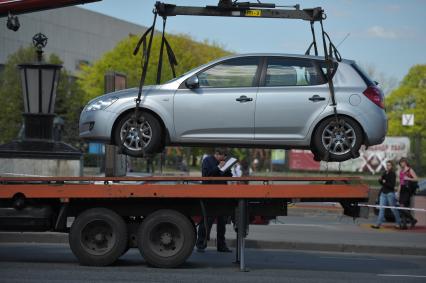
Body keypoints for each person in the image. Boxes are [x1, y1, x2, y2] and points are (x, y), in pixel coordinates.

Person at [196, 148, 232, 253]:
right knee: (207, 220)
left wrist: (227, 168)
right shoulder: (207, 160)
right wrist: (218, 167)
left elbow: (228, 176)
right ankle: (201, 244)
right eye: (224, 155)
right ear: (217, 154)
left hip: (222, 195)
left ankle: (221, 245)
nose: (225, 158)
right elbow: (207, 175)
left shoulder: (223, 163)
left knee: (222, 221)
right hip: (210, 195)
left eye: (226, 156)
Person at [371, 161, 401, 229]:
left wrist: (384, 182)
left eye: (389, 165)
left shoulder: (392, 174)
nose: (388, 166)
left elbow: (392, 185)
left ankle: (399, 223)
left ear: (392, 166)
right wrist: (380, 180)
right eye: (387, 165)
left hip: (390, 193)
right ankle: (378, 224)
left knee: (393, 209)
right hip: (383, 193)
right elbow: (381, 182)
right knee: (381, 209)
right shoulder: (385, 172)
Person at [397, 158, 418, 229]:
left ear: (405, 162)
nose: (401, 164)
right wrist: (398, 192)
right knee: (402, 207)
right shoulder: (401, 171)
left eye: (402, 163)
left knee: (402, 206)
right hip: (402, 189)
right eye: (400, 163)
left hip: (407, 190)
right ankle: (405, 224)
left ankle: (412, 220)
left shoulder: (410, 170)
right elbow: (400, 183)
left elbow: (416, 179)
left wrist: (408, 178)